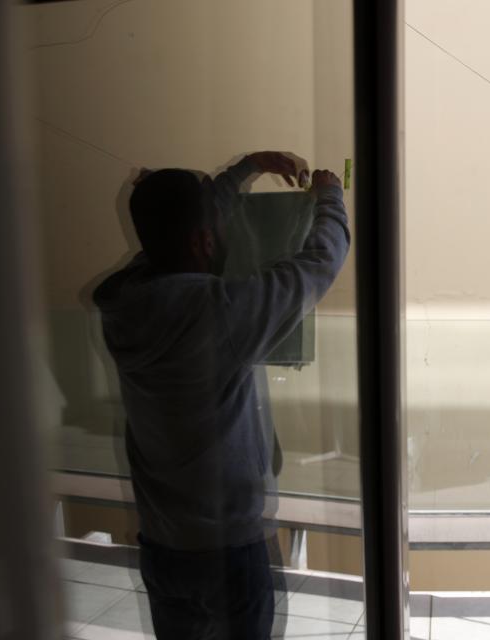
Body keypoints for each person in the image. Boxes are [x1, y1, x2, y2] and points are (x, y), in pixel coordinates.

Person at [93, 151, 351, 639]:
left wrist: (248, 166)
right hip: (227, 552)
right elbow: (320, 262)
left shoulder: (123, 305)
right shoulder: (220, 315)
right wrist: (330, 195)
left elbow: (171, 232)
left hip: (162, 546)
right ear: (204, 239)